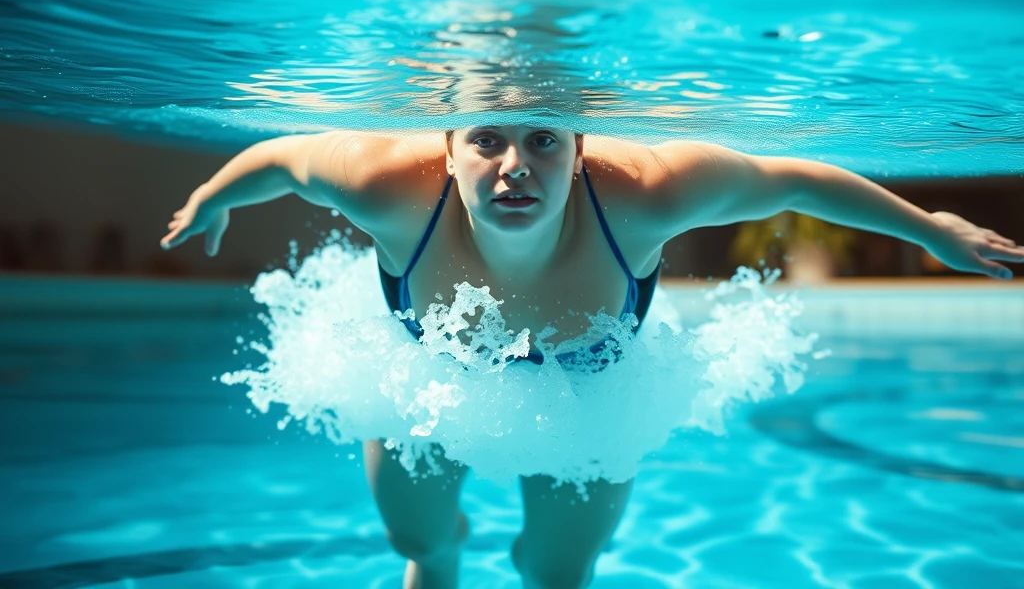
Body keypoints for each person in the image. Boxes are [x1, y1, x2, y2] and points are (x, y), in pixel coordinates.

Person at [162, 125, 1021, 589]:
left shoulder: (645, 193)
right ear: (449, 149)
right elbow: (280, 159)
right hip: (427, 380)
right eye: (488, 142)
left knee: (557, 574)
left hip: (591, 393)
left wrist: (929, 228)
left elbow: (790, 178)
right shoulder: (390, 184)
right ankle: (443, 559)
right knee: (415, 537)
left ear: (578, 155)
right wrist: (209, 198)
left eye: (543, 142)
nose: (513, 168)